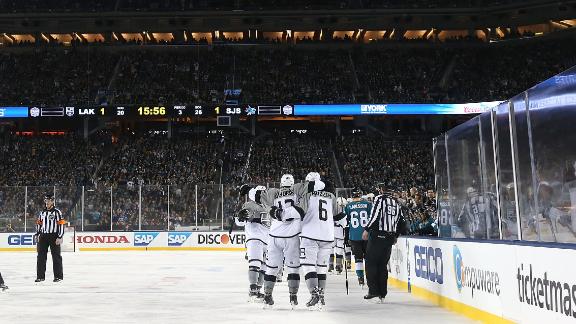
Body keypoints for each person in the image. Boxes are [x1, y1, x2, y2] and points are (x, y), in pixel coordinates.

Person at [247, 173, 324, 307]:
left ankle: (267, 296)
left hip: (274, 236)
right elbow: (320, 185)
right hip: (292, 236)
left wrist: (248, 189)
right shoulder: (298, 188)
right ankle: (293, 297)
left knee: (271, 269)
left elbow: (254, 195)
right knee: (293, 269)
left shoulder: (272, 192)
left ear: (281, 183)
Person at [298, 181, 344, 309]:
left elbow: (300, 213)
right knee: (321, 267)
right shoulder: (331, 196)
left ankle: (314, 294)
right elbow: (338, 216)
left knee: (308, 266)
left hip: (310, 234)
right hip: (327, 236)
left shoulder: (308, 195)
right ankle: (321, 295)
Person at [362, 183, 406, 303]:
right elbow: (402, 221)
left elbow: (375, 215)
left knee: (371, 262)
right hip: (389, 237)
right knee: (382, 265)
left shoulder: (379, 198)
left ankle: (373, 291)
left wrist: (366, 228)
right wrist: (396, 235)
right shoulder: (397, 203)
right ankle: (382, 293)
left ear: (382, 190)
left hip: (378, 235)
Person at [235, 185, 270, 301]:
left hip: (267, 240)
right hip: (255, 237)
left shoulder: (269, 206)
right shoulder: (250, 205)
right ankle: (253, 289)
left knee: (264, 267)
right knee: (255, 263)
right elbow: (242, 220)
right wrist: (240, 217)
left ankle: (257, 290)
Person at [344, 188, 372, 286]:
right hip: (367, 235)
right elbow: (373, 218)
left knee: (358, 259)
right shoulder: (368, 204)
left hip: (354, 236)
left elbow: (345, 221)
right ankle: (370, 278)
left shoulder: (348, 206)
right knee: (369, 258)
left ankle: (360, 278)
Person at [35, 194, 66, 283]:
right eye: (46, 200)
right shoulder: (42, 212)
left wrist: (60, 236)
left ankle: (58, 276)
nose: (47, 202)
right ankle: (40, 277)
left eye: (49, 200)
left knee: (56, 256)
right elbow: (39, 223)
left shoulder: (57, 212)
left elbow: (61, 224)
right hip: (43, 236)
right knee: (41, 257)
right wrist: (37, 234)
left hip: (54, 236)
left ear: (52, 201)